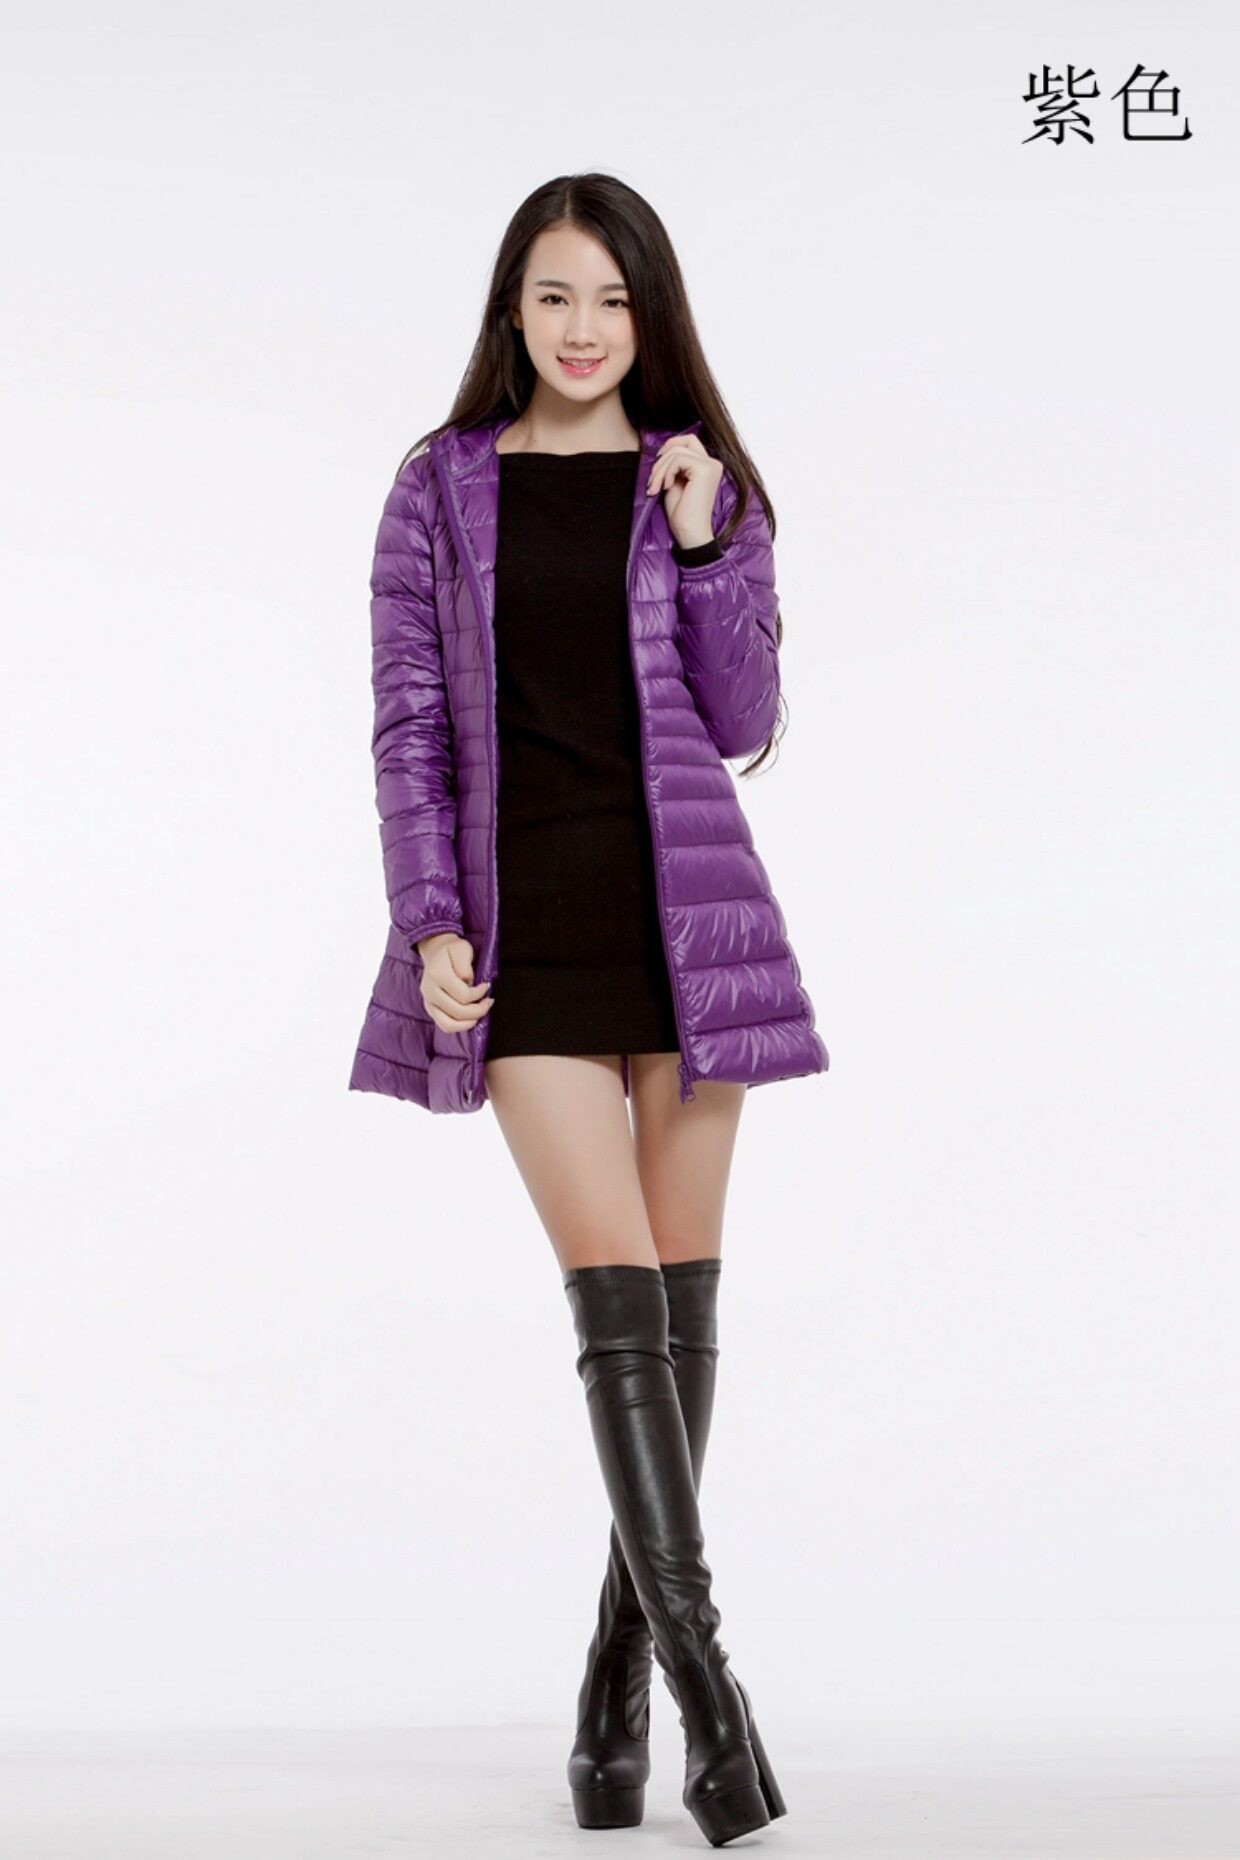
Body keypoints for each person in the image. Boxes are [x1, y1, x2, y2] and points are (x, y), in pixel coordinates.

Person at [349, 171, 829, 1846]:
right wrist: (428, 919)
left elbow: (746, 715)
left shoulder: (702, 482)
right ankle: (713, 1699)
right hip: (530, 942)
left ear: (650, 316)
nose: (582, 328)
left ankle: (611, 1698)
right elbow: (409, 723)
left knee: (681, 1328)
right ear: (513, 308)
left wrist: (702, 540)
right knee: (616, 1312)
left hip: (688, 929)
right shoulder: (440, 487)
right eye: (556, 295)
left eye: (613, 301)